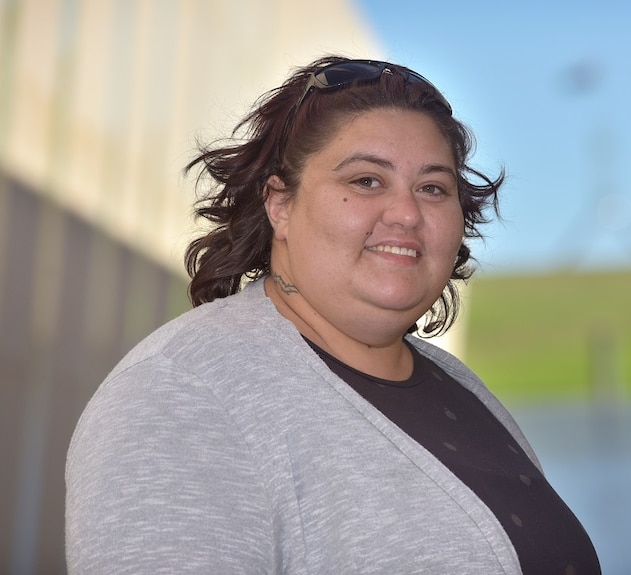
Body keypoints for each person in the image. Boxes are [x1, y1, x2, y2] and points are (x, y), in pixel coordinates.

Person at [65, 56, 601, 574]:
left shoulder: (459, 387)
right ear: (280, 205)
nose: (407, 213)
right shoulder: (182, 396)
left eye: (433, 188)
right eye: (366, 180)